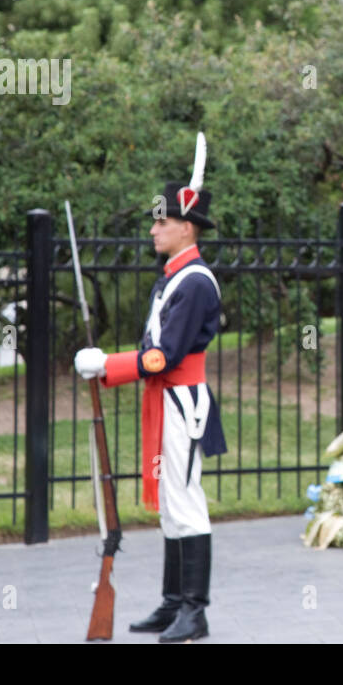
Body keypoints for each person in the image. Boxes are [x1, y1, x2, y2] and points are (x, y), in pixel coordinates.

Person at [74, 132, 227, 643]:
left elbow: (165, 356)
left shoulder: (195, 281)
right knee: (169, 502)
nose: (154, 228)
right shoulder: (173, 276)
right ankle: (172, 603)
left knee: (186, 501)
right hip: (164, 401)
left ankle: (195, 611)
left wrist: (107, 364)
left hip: (182, 402)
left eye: (162, 221)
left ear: (186, 228)